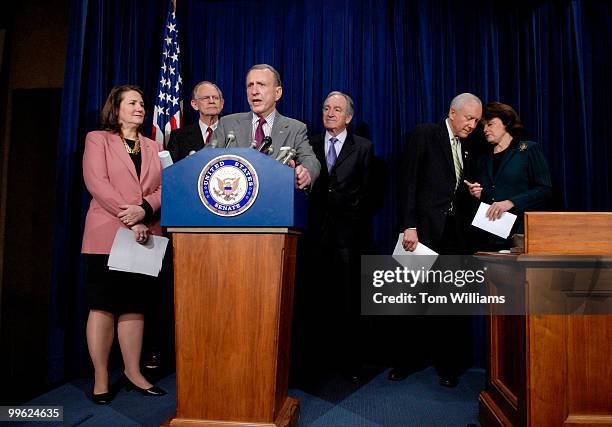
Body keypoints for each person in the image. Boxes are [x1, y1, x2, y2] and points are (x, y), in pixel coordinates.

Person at [82, 85, 166, 404]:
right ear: (115, 109)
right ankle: (101, 377)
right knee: (103, 305)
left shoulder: (154, 145)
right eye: (132, 103)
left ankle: (133, 372)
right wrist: (131, 217)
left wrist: (144, 210)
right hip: (107, 234)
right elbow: (97, 183)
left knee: (135, 305)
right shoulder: (98, 139)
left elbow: (165, 186)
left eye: (142, 103)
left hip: (145, 236)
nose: (140, 107)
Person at [393, 93, 483, 387]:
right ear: (453, 113)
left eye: (477, 121)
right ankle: (405, 362)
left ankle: (448, 366)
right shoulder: (426, 134)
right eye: (469, 118)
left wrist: (472, 193)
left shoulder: (467, 149)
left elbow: (454, 189)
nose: (472, 125)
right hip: (422, 232)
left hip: (454, 235)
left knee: (449, 305)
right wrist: (409, 225)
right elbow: (408, 180)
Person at [306, 91, 373, 381]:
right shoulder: (308, 144)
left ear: (348, 117)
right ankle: (316, 362)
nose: (330, 113)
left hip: (348, 236)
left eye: (337, 109)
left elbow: (369, 191)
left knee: (347, 299)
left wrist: (353, 217)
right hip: (315, 234)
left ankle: (349, 364)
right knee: (316, 299)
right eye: (326, 108)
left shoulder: (364, 148)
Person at [215, 64, 320, 189]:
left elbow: (310, 160)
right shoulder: (227, 124)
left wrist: (306, 172)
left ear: (277, 93)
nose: (254, 91)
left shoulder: (295, 128)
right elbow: (205, 160)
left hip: (275, 199)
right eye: (250, 85)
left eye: (261, 84)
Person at [464, 101, 552, 251]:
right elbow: (491, 196)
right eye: (483, 126)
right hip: (489, 236)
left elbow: (545, 190)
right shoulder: (483, 159)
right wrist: (479, 194)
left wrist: (511, 202)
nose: (485, 130)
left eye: (490, 124)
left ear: (506, 123)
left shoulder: (528, 150)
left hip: (519, 235)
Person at [167, 81, 224, 161]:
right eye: (206, 98)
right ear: (195, 104)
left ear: (222, 104)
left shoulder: (234, 133)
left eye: (215, 98)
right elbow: (172, 171)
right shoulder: (179, 137)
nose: (211, 101)